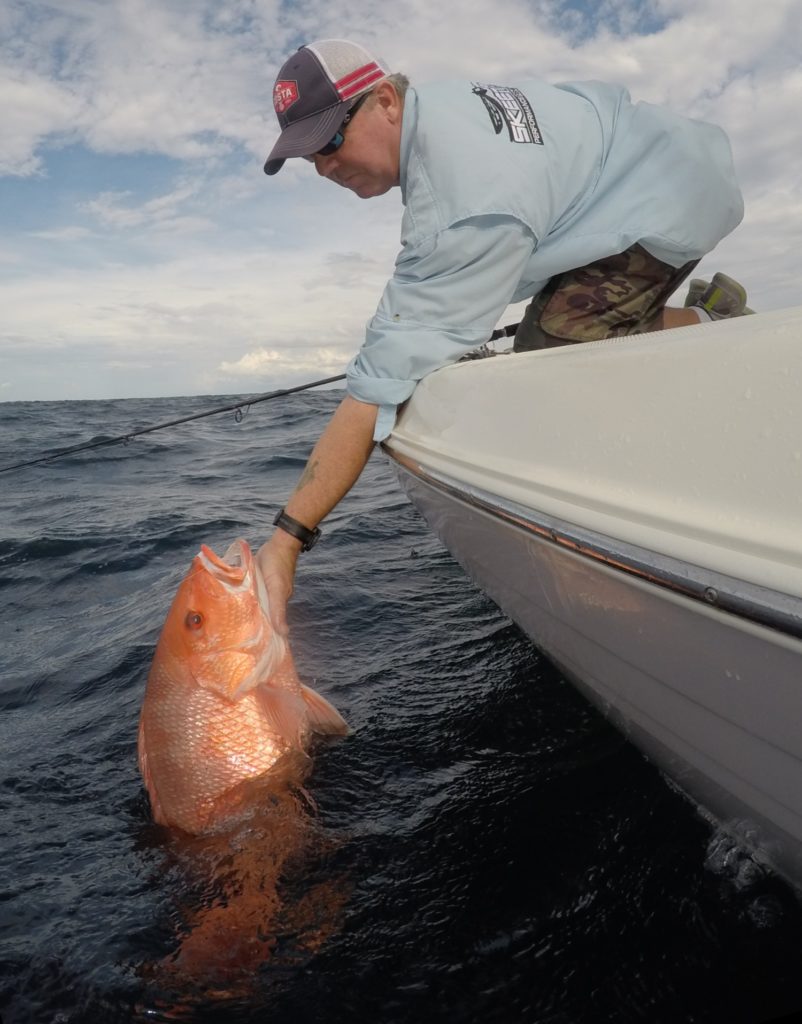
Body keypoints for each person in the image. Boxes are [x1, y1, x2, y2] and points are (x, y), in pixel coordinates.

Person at [256, 38, 747, 633]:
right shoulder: (444, 109)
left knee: (548, 356)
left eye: (331, 139)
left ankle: (605, 563)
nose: (326, 167)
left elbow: (376, 388)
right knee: (573, 319)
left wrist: (286, 540)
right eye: (310, 157)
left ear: (385, 99)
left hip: (666, 200)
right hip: (664, 166)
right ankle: (711, 317)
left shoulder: (458, 200)